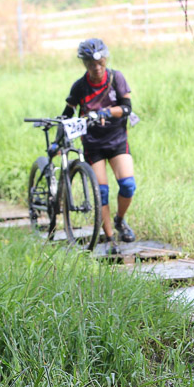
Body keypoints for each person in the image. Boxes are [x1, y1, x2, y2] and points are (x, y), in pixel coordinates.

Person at [62, 38, 136, 253]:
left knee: (128, 185)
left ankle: (120, 220)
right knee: (101, 192)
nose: (96, 67)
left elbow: (127, 107)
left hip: (117, 139)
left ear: (105, 59)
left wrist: (106, 112)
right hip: (93, 144)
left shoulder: (116, 78)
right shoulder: (80, 86)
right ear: (84, 63)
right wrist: (60, 132)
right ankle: (110, 237)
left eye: (100, 62)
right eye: (91, 64)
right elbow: (68, 112)